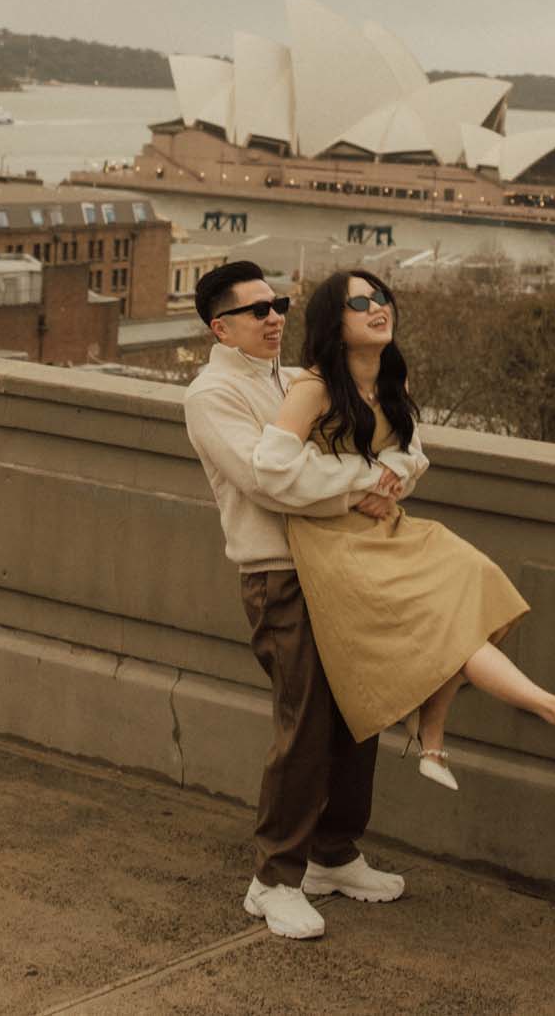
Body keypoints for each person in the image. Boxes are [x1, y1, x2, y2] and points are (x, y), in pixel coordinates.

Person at [263, 270, 555, 791]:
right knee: (448, 629)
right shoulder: (314, 388)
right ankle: (547, 707)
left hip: (387, 527)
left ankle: (432, 733)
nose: (378, 307)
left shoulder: (393, 380)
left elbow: (412, 455)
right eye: (359, 303)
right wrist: (363, 480)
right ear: (333, 322)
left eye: (380, 297)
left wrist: (393, 476)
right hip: (334, 541)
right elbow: (272, 470)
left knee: (475, 579)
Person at [182, 261, 407, 943]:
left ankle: (332, 853)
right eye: (256, 310)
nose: (275, 316)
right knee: (304, 723)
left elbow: (377, 440)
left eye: (278, 303)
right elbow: (269, 481)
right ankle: (274, 879)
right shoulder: (211, 394)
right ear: (220, 327)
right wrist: (365, 483)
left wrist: (378, 472)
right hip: (278, 573)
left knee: (359, 714)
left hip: (339, 564)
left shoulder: (296, 379)